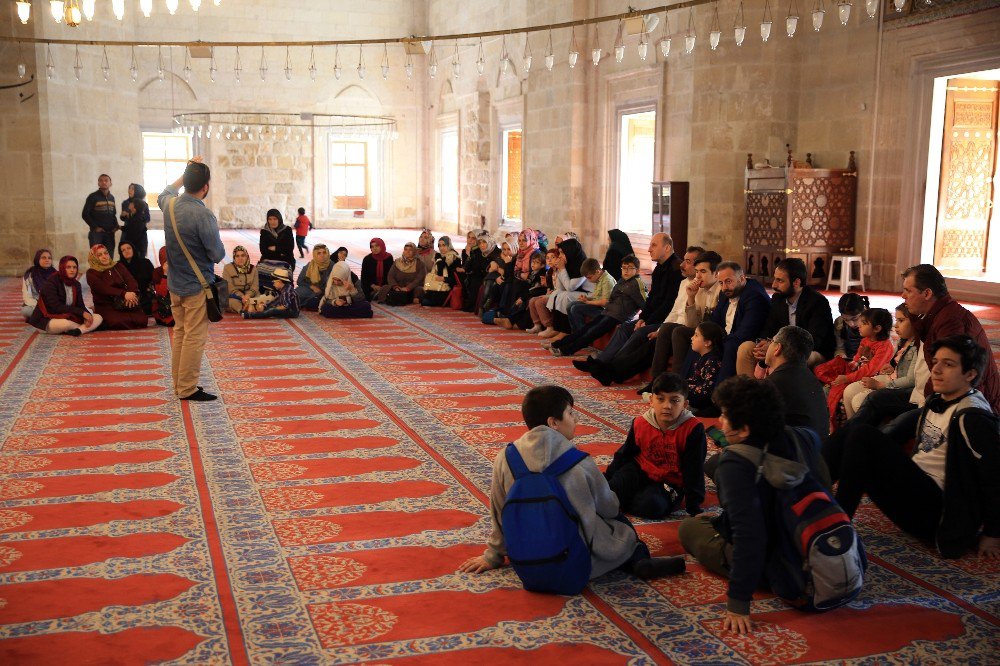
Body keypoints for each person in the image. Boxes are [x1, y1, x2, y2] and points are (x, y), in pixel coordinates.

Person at [458, 385, 687, 582]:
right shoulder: (578, 461)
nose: (576, 419)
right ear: (553, 423)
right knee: (617, 520)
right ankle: (638, 558)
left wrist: (493, 555)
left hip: (526, 554)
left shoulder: (506, 457)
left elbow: (498, 510)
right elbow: (608, 507)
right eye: (570, 413)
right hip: (573, 557)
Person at [678, 376, 832, 635]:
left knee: (690, 527)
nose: (720, 422)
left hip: (775, 563)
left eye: (726, 416)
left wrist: (738, 603)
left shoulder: (735, 465)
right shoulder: (802, 437)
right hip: (814, 542)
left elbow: (750, 535)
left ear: (745, 429)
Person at [824, 336, 999, 560]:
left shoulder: (973, 416)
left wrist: (993, 533)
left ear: (970, 374)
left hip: (938, 514)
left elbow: (994, 476)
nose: (936, 370)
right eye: (935, 362)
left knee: (862, 435)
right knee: (853, 432)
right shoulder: (938, 398)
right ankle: (806, 497)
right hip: (914, 495)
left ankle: (835, 530)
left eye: (948, 364)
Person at [159, 157, 226, 402]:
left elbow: (165, 191)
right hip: (197, 286)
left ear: (186, 182)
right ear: (205, 187)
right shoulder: (203, 215)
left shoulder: (170, 205)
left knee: (181, 333)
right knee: (194, 337)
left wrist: (185, 171)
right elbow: (217, 253)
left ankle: (179, 384)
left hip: (175, 283)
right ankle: (187, 388)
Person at [576, 233, 683, 385]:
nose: (648, 249)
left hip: (665, 320)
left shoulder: (675, 269)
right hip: (653, 318)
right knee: (624, 329)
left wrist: (647, 321)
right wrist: (643, 318)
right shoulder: (660, 267)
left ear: (667, 248)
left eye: (653, 245)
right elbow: (652, 298)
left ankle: (610, 369)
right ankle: (601, 362)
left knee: (638, 333)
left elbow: (669, 304)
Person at [605, 372, 707, 518]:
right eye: (661, 399)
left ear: (685, 404)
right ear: (651, 400)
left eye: (675, 400)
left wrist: (694, 508)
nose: (667, 406)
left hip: (669, 481)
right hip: (640, 468)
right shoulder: (640, 422)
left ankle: (626, 502)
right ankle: (622, 499)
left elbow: (694, 469)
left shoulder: (693, 429)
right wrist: (607, 480)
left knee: (652, 506)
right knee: (611, 490)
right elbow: (625, 453)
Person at [901, 264, 1000, 412]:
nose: (903, 296)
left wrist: (929, 402)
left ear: (927, 294)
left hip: (970, 402)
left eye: (908, 291)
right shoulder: (937, 313)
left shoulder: (950, 320)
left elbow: (950, 372)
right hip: (948, 394)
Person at [736, 258, 835, 377]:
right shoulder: (778, 299)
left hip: (811, 352)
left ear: (796, 282)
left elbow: (813, 340)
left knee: (791, 357)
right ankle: (749, 392)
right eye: (775, 279)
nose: (773, 285)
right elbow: (769, 327)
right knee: (746, 348)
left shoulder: (817, 303)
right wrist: (763, 343)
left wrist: (777, 347)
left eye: (780, 281)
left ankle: (775, 392)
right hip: (781, 346)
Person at [639, 246, 706, 394]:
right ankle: (656, 381)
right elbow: (674, 311)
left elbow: (694, 323)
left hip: (687, 329)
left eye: (687, 262)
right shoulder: (683, 283)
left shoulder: (702, 287)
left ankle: (675, 384)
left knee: (674, 330)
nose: (681, 265)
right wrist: (659, 329)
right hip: (675, 327)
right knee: (659, 331)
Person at [815, 308, 895, 432]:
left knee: (836, 394)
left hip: (869, 378)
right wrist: (850, 365)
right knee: (825, 381)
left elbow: (870, 370)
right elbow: (857, 358)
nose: (858, 325)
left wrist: (847, 378)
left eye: (863, 323)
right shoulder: (866, 340)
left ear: (877, 329)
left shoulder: (885, 346)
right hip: (856, 374)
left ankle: (845, 429)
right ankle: (828, 425)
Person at [552, 256, 644, 357]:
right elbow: (612, 298)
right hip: (609, 311)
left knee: (593, 332)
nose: (626, 271)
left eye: (630, 268)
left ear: (637, 270)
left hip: (618, 316)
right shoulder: (622, 281)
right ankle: (563, 343)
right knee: (586, 328)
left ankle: (567, 350)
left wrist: (642, 319)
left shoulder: (637, 284)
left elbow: (645, 303)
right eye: (623, 268)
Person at [843, 304, 920, 419]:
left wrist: (881, 385)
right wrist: (892, 367)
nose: (896, 325)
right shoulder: (903, 340)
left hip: (900, 386)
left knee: (859, 401)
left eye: (901, 320)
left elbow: (910, 379)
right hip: (892, 377)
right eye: (896, 320)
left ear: (916, 322)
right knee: (849, 391)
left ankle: (866, 433)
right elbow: (901, 365)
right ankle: (851, 430)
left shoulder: (918, 345)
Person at [757, 325, 831, 437]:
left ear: (777, 349)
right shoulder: (813, 380)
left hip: (792, 452)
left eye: (771, 341)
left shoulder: (771, 385)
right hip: (815, 450)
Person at [28, 256, 103, 335]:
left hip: (68, 315)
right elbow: (56, 307)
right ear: (62, 268)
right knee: (66, 324)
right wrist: (82, 313)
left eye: (74, 267)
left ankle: (78, 331)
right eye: (68, 267)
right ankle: (83, 328)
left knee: (98, 317)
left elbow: (80, 305)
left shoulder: (76, 284)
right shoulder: (52, 283)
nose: (72, 270)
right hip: (48, 318)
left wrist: (87, 316)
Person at [85, 244, 148, 330]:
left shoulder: (118, 266)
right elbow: (103, 288)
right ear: (94, 258)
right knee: (118, 322)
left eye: (106, 253)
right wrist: (123, 293)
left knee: (142, 321)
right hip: (107, 305)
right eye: (99, 255)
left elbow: (131, 280)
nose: (104, 256)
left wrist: (132, 294)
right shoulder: (91, 273)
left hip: (124, 302)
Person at [678, 321, 726, 416]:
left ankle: (690, 408)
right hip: (696, 393)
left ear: (707, 342)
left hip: (703, 400)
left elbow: (706, 391)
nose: (691, 338)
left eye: (696, 335)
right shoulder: (702, 357)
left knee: (676, 392)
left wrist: (686, 387)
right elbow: (695, 379)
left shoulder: (712, 361)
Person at [496, 250, 547, 330]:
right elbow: (528, 287)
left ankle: (514, 323)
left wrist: (523, 298)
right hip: (530, 294)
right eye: (532, 262)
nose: (533, 264)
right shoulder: (532, 273)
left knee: (527, 305)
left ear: (543, 265)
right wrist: (522, 297)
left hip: (536, 295)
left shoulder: (541, 274)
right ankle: (510, 321)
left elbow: (536, 289)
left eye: (536, 262)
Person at [566, 258, 618, 335]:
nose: (588, 280)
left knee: (576, 309)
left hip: (607, 311)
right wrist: (587, 299)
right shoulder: (599, 277)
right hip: (600, 307)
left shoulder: (607, 280)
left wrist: (588, 302)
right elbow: (598, 297)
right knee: (570, 305)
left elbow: (605, 303)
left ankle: (584, 337)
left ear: (597, 271)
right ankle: (575, 334)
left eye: (589, 277)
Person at [374, 242, 427, 306]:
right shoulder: (397, 262)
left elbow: (419, 280)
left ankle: (403, 299)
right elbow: (390, 276)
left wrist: (407, 288)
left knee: (419, 290)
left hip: (412, 289)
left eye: (410, 250)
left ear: (414, 252)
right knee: (385, 287)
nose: (407, 252)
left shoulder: (420, 264)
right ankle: (399, 298)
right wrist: (396, 287)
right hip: (397, 288)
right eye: (406, 249)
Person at [421, 236, 461, 307]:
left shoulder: (454, 258)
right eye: (439, 245)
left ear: (449, 245)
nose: (441, 248)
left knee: (425, 301)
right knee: (423, 295)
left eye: (444, 245)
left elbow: (457, 279)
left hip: (447, 287)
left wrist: (444, 279)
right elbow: (434, 273)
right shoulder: (438, 257)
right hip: (436, 285)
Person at [82, 173, 117, 250]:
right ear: (98, 183)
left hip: (110, 233)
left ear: (110, 183)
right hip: (97, 234)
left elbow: (113, 214)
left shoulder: (112, 198)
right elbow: (85, 214)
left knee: (109, 258)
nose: (103, 182)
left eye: (106, 180)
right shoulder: (93, 196)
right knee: (97, 258)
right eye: (101, 180)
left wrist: (115, 226)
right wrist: (95, 227)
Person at [118, 240, 154, 315]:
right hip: (125, 297)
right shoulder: (118, 266)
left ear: (133, 249)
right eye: (123, 250)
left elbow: (153, 280)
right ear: (121, 253)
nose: (126, 251)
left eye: (128, 248)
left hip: (144, 296)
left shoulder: (145, 263)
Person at [222, 245, 260, 314]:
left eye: (243, 255)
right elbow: (229, 287)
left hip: (250, 296)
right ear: (234, 257)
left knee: (260, 299)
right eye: (237, 256)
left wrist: (248, 295)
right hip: (235, 297)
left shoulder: (253, 269)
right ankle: (244, 310)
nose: (240, 258)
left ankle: (249, 307)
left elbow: (255, 286)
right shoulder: (228, 268)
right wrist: (242, 296)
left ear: (247, 257)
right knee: (231, 302)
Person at [295, 244, 333, 311]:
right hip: (310, 289)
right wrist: (312, 286)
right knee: (296, 294)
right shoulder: (310, 265)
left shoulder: (333, 266)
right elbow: (299, 281)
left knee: (314, 302)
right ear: (315, 255)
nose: (322, 255)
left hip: (326, 292)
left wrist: (322, 290)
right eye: (319, 253)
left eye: (324, 252)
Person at [21, 249, 57, 320]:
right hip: (36, 305)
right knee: (26, 311)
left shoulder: (56, 274)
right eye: (43, 258)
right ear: (37, 259)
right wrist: (41, 307)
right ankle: (45, 315)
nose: (47, 260)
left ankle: (42, 316)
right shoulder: (30, 275)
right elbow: (27, 296)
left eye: (49, 258)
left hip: (54, 304)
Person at [119, 183, 150, 259]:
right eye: (129, 188)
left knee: (139, 256)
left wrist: (135, 215)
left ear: (138, 191)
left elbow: (147, 218)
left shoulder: (144, 204)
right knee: (125, 256)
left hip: (139, 233)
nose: (130, 190)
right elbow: (123, 218)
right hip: (127, 232)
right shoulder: (125, 203)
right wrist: (123, 216)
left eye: (132, 188)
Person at [834, 292, 867, 361]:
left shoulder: (874, 321)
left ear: (864, 310)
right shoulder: (839, 323)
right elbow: (840, 348)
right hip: (849, 359)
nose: (851, 324)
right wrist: (840, 355)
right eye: (846, 320)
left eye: (855, 319)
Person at [149, 247, 174, 327]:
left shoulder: (178, 270)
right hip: (164, 307)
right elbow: (161, 294)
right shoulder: (157, 272)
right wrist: (165, 274)